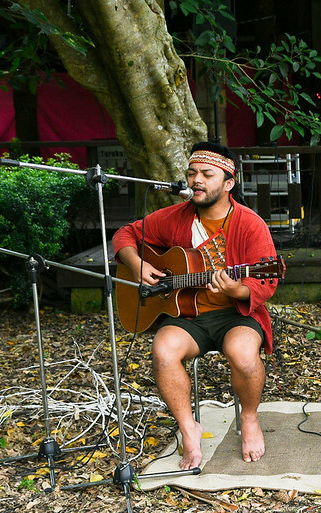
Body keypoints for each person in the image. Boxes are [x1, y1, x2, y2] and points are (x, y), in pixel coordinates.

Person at [112, 142, 278, 466]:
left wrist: (236, 289)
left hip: (235, 314)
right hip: (186, 314)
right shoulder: (175, 217)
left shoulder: (249, 223)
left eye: (206, 174)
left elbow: (266, 279)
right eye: (192, 173)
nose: (196, 180)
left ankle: (249, 418)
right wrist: (136, 264)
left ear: (229, 183)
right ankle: (189, 429)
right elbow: (125, 235)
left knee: (243, 355)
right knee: (163, 351)